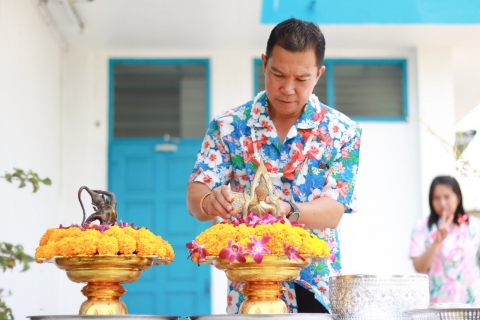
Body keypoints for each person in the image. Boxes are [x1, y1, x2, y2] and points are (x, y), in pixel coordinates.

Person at [186, 18, 362, 314]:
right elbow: (196, 194)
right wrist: (208, 200)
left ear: (318, 74)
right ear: (264, 64)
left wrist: (287, 210)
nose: (288, 89)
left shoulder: (342, 131)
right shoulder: (228, 126)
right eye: (278, 74)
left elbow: (333, 211)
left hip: (313, 286)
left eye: (302, 79)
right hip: (248, 287)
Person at [409, 175, 480, 305]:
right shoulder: (422, 227)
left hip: (472, 302)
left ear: (458, 198)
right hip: (437, 304)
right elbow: (419, 267)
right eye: (436, 198)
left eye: (447, 197)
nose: (442, 203)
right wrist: (437, 242)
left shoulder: (475, 226)